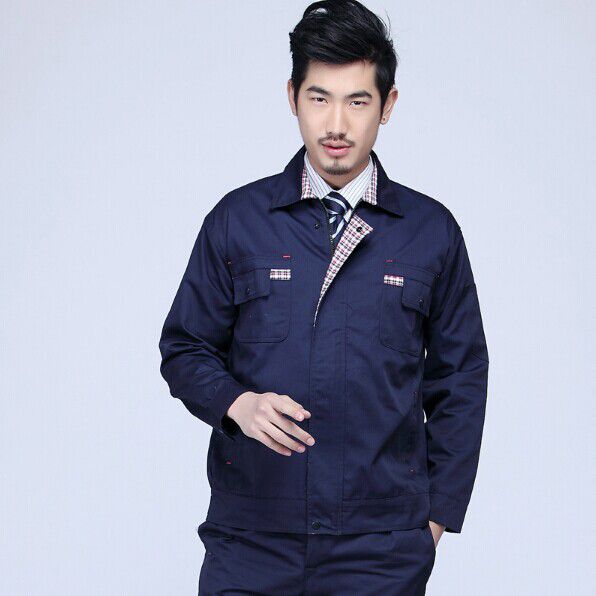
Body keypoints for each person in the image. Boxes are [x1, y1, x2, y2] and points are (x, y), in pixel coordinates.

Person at [158, 1, 489, 593]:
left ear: (388, 105)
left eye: (357, 101)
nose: (336, 124)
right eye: (319, 98)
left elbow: (460, 378)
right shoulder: (238, 221)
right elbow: (184, 348)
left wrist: (434, 520)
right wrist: (237, 404)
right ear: (293, 97)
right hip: (252, 539)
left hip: (380, 550)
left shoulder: (430, 233)